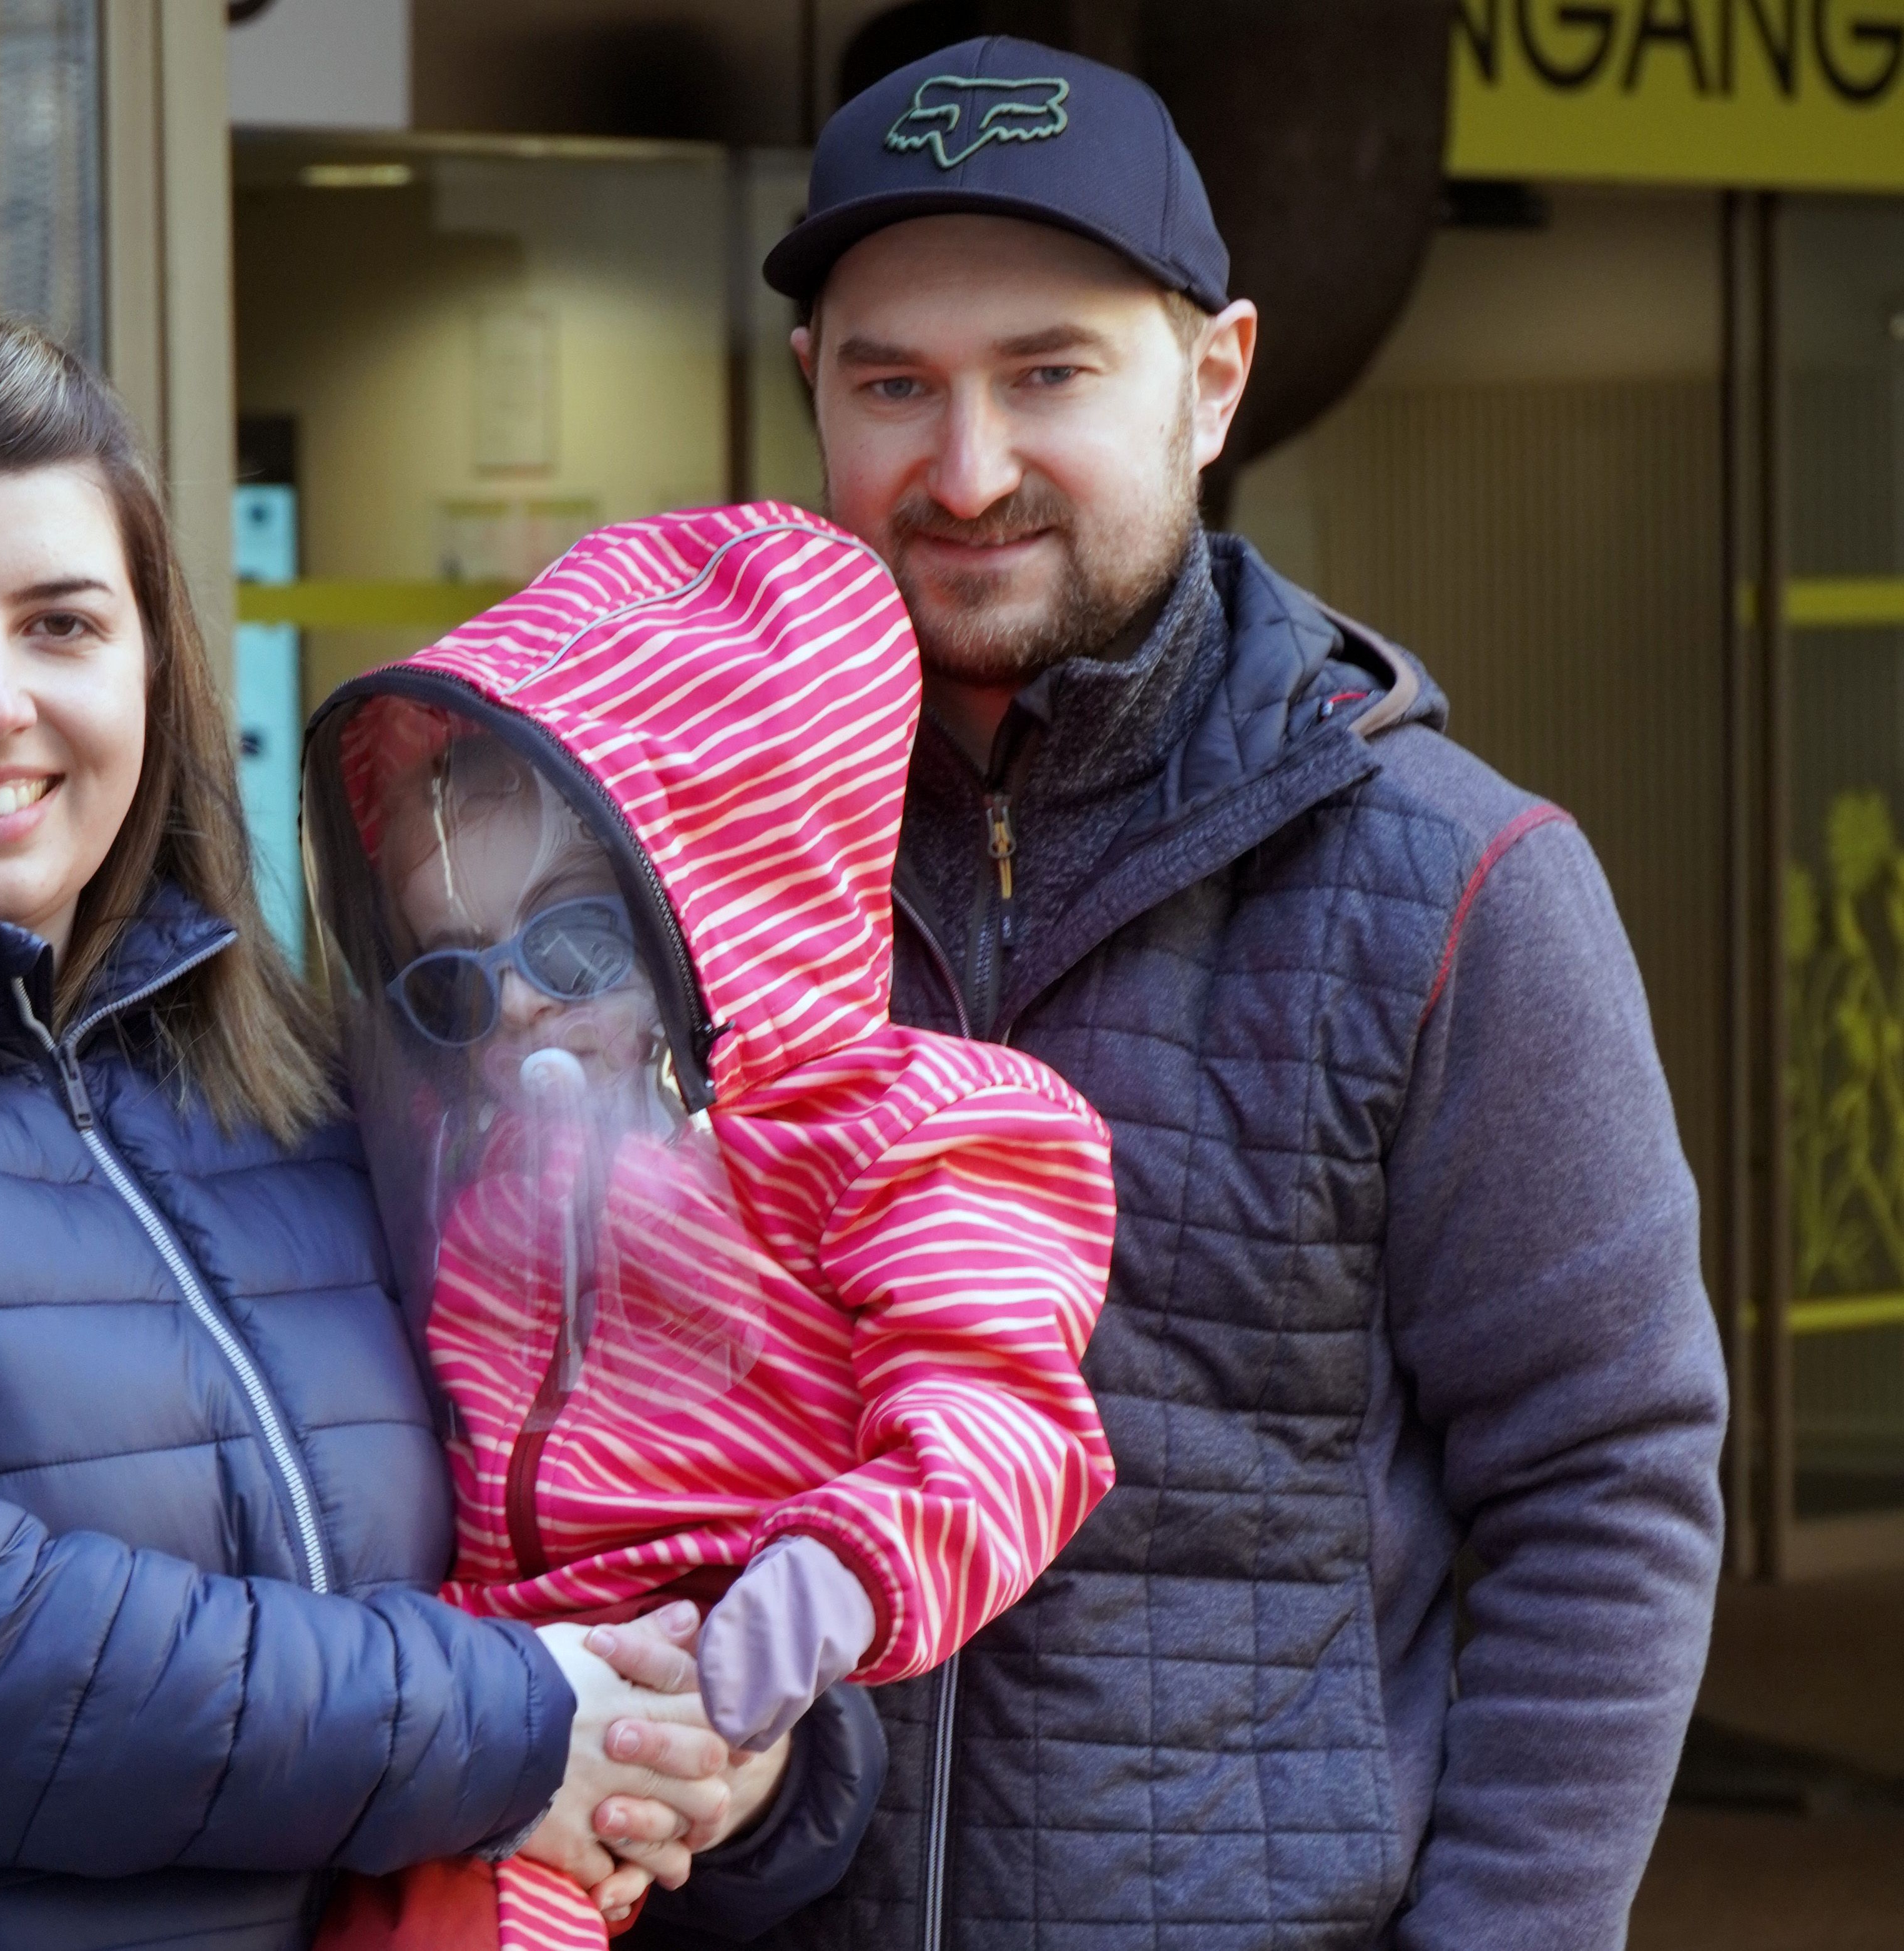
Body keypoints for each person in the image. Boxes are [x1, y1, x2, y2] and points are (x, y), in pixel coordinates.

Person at [0, 309, 883, 1951]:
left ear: (151, 670)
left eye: (61, 623)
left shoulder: (281, 1082)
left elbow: (595, 1493)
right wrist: (527, 1718)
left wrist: (732, 1739)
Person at [653, 37, 1730, 1951]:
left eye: (1048, 374)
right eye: (897, 383)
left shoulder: (1458, 881)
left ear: (1213, 377)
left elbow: (1607, 1489)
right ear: (813, 387)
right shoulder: (677, 855)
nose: (966, 468)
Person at [300, 505, 1120, 1950]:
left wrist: (834, 1576)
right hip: (499, 1689)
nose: (516, 1015)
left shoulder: (914, 1126)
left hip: (716, 1668)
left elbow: (1003, 1413)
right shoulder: (484, 1183)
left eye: (570, 942)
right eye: (451, 983)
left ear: (720, 908)